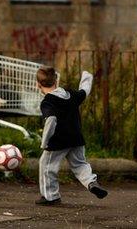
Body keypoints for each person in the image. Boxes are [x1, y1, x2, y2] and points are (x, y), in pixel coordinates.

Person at [35, 66, 108, 206]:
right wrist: (86, 76)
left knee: (46, 166)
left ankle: (51, 197)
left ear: (38, 85)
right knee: (80, 165)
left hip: (58, 142)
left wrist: (45, 143)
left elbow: (51, 121)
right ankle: (91, 182)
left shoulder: (48, 101)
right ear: (56, 80)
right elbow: (84, 91)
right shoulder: (70, 94)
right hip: (76, 138)